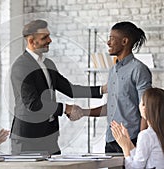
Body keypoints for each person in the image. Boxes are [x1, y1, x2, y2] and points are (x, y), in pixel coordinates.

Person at [10, 19, 105, 155]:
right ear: (31, 41)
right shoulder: (21, 66)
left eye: (49, 36)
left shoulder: (48, 63)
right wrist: (66, 108)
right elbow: (33, 104)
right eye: (44, 37)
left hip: (49, 135)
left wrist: (102, 89)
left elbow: (70, 89)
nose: (50, 40)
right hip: (28, 138)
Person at [72, 21, 152, 153]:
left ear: (125, 41)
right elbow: (111, 107)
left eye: (112, 39)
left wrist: (141, 143)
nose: (108, 43)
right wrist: (83, 112)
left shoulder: (139, 69)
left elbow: (147, 109)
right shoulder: (113, 71)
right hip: (111, 140)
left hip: (132, 140)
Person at [110, 87, 164, 168]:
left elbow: (134, 168)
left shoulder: (146, 135)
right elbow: (142, 159)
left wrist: (125, 148)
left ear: (145, 108)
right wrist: (128, 142)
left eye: (141, 102)